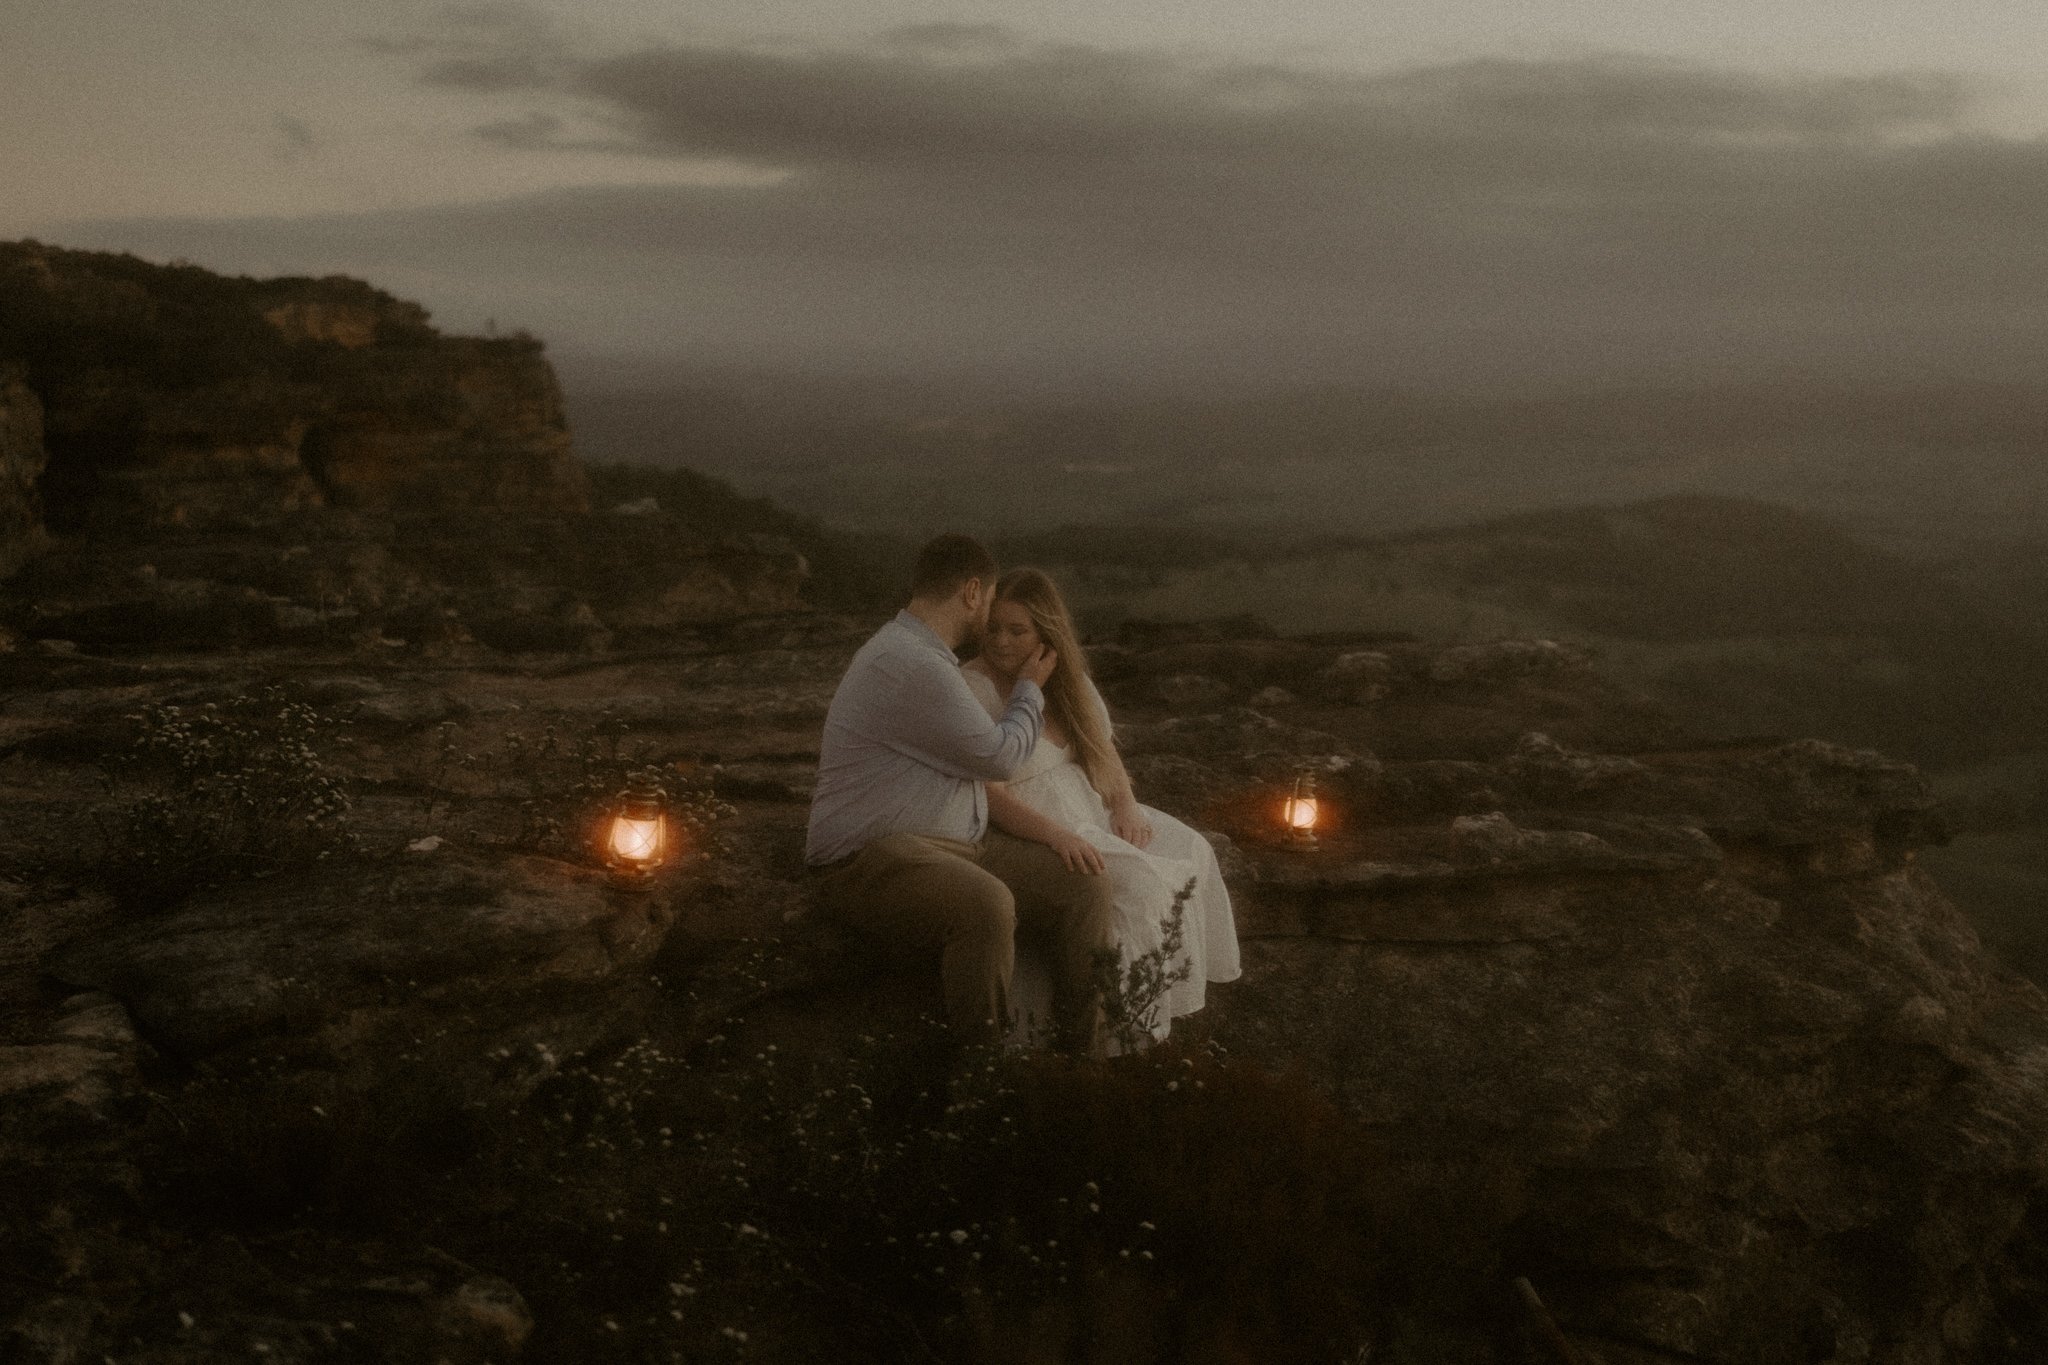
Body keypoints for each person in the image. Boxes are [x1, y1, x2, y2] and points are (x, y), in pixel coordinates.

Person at [806, 534, 1118, 1054]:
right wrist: (1030, 689)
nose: (993, 613)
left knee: (1084, 884)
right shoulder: (910, 663)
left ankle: (1086, 1063)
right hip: (872, 857)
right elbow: (1000, 756)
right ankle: (983, 1082)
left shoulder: (924, 657)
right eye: (992, 598)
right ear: (973, 592)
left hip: (955, 843)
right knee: (987, 904)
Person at [960, 568, 1241, 1046]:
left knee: (1192, 850)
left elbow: (1101, 751)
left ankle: (1165, 1011)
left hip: (1091, 805)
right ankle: (1118, 1033)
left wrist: (1127, 803)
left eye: (1018, 630)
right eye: (993, 628)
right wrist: (1057, 835)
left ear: (1046, 634)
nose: (1001, 641)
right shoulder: (972, 689)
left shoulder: (1069, 683)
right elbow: (986, 792)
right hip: (1033, 822)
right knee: (1141, 886)